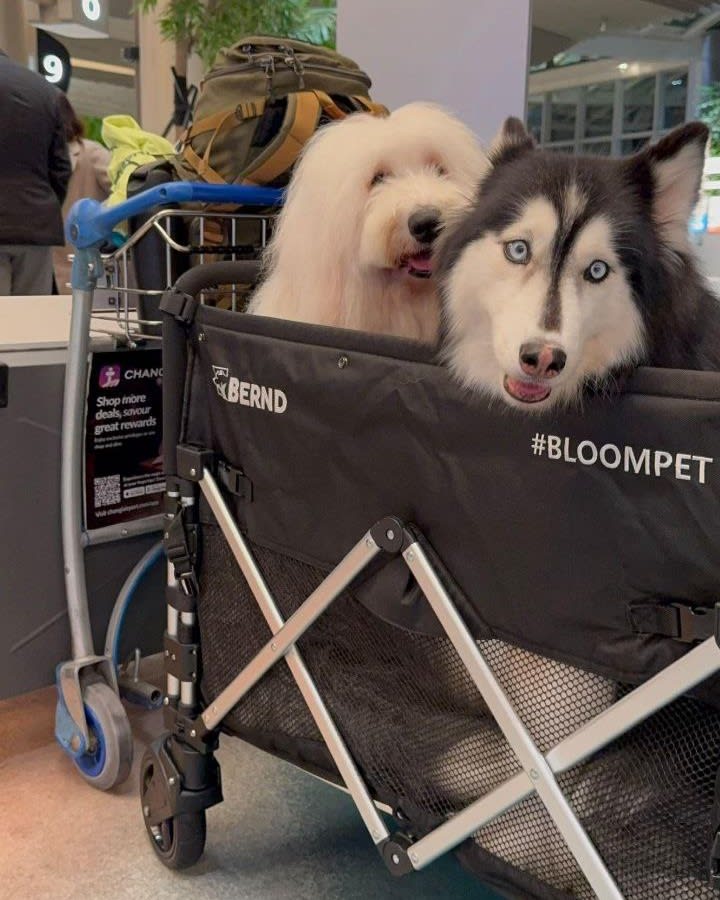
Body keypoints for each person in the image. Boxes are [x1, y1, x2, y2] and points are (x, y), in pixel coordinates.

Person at [0, 49, 71, 295]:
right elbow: (61, 168)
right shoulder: (44, 89)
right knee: (32, 315)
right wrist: (43, 204)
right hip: (36, 225)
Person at [53, 94, 111, 293]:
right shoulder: (36, 158)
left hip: (84, 265)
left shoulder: (91, 153)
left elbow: (124, 191)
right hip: (49, 268)